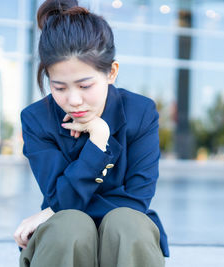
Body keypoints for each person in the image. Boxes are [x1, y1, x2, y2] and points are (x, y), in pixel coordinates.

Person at [12, 0, 169, 266]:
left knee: (127, 222)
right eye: (59, 87)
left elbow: (136, 202)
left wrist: (51, 211)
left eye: (85, 85)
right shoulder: (36, 120)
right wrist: (97, 143)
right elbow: (61, 200)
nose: (73, 100)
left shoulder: (140, 113)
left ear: (111, 73)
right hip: (62, 245)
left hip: (126, 243)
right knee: (70, 225)